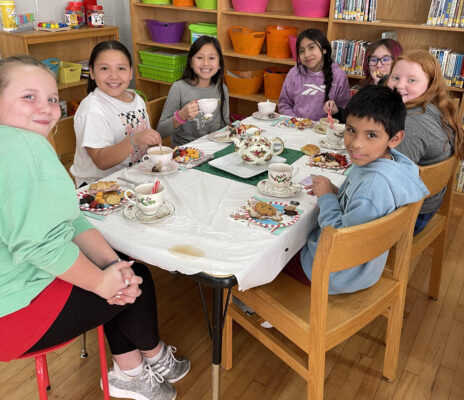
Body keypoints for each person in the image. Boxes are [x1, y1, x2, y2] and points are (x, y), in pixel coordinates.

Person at [0, 55, 189, 400]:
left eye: (52, 99)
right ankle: (147, 360)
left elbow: (70, 217)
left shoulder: (19, 142)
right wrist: (104, 282)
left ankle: (135, 367)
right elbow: (39, 246)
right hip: (13, 315)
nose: (46, 108)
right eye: (28, 96)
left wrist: (111, 265)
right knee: (134, 280)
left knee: (120, 269)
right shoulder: (22, 145)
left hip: (18, 288)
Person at [283, 85, 429, 294]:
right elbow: (359, 210)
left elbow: (341, 241)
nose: (356, 144)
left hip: (336, 273)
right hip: (364, 269)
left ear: (395, 139)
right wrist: (335, 192)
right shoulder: (391, 163)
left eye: (371, 135)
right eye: (351, 130)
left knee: (274, 255)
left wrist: (327, 198)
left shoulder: (373, 185)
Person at [387, 49, 464, 234]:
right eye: (395, 77)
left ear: (430, 85)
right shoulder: (434, 108)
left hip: (409, 216)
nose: (399, 85)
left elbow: (389, 184)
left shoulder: (411, 124)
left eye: (412, 80)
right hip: (428, 205)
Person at [71, 40, 162, 188]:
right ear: (92, 73)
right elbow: (101, 161)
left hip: (134, 176)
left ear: (131, 72)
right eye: (104, 68)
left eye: (121, 68)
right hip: (99, 186)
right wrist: (134, 139)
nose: (114, 76)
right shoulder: (92, 109)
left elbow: (144, 142)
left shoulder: (136, 99)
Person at [157, 35, 230, 147]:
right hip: (186, 151)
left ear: (219, 63)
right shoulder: (179, 88)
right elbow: (161, 131)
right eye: (199, 57)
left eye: (211, 58)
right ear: (191, 62)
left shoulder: (222, 88)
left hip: (213, 148)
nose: (206, 63)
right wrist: (181, 116)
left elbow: (225, 125)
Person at [278, 28, 351, 122]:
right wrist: (299, 122)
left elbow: (346, 111)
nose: (306, 54)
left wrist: (336, 110)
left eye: (311, 47)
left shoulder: (339, 76)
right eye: (301, 51)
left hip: (326, 128)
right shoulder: (294, 73)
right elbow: (284, 105)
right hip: (297, 126)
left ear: (324, 49)